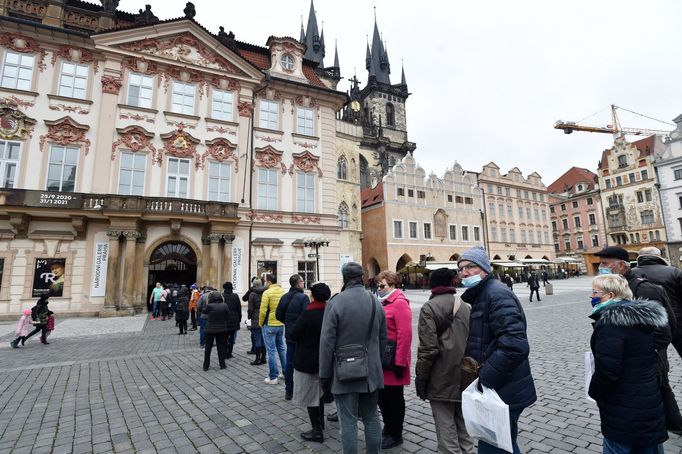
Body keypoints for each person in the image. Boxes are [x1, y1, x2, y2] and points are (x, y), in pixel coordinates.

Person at [457, 246, 536, 454]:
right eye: (461, 268)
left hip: (502, 388)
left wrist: (485, 378)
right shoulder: (483, 293)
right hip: (502, 387)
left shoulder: (496, 295)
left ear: (484, 269)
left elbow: (515, 346)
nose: (464, 272)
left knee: (494, 447)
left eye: (470, 267)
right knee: (502, 444)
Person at [588, 274, 668, 453]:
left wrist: (594, 391)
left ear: (610, 295)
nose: (591, 296)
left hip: (622, 402)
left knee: (618, 445)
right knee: (649, 444)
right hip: (647, 395)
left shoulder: (610, 323)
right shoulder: (640, 316)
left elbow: (608, 371)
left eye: (595, 292)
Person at [319, 262, 387, 454]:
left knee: (347, 421)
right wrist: (375, 363)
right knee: (372, 417)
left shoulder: (336, 302)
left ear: (344, 278)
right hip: (371, 372)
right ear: (362, 277)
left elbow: (326, 343)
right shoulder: (375, 301)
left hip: (344, 371)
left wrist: (324, 374)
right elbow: (383, 338)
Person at [416, 268, 475, 454]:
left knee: (445, 429)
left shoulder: (429, 308)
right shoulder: (465, 305)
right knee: (463, 426)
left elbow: (428, 349)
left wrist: (421, 378)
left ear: (433, 285)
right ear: (452, 283)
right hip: (466, 374)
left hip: (441, 376)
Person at [289, 282, 332, 443]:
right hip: (326, 359)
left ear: (313, 295)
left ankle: (317, 429)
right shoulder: (331, 311)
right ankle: (321, 423)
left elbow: (294, 334)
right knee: (320, 393)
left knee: (310, 395)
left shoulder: (308, 312)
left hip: (308, 360)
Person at [375, 270, 412, 449]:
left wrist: (400, 362)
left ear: (393, 284)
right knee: (382, 398)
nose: (380, 289)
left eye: (383, 286)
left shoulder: (399, 303)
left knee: (395, 399)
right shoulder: (382, 302)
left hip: (394, 361)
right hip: (382, 360)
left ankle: (396, 433)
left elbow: (405, 335)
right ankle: (388, 427)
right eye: (378, 286)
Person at [631, 246, 682, 358]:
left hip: (645, 322)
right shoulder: (674, 271)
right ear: (659, 256)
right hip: (677, 319)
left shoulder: (631, 274)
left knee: (654, 358)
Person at [276, 274, 310, 400]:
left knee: (289, 363)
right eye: (302, 281)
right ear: (297, 283)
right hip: (302, 335)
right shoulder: (303, 297)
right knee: (303, 362)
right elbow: (306, 316)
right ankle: (304, 390)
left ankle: (289, 390)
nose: (303, 283)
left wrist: (288, 322)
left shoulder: (284, 297)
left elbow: (278, 314)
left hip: (290, 333)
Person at [259, 274, 286, 384]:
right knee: (282, 348)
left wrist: (261, 323)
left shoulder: (267, 293)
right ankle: (285, 373)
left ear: (269, 282)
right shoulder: (282, 291)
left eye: (266, 281)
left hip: (269, 324)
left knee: (271, 351)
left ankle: (273, 377)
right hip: (280, 323)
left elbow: (263, 310)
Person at [202, 291, 229, 371]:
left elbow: (203, 311)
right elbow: (227, 316)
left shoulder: (209, 306)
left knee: (208, 348)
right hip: (221, 329)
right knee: (220, 347)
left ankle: (206, 366)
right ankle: (222, 364)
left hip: (210, 329)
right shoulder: (225, 305)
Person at [247, 277, 267, 366]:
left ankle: (258, 359)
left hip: (255, 317)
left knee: (257, 338)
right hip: (264, 316)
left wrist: (249, 316)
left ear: (254, 285)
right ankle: (264, 358)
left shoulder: (252, 294)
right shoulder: (265, 292)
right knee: (263, 338)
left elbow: (250, 308)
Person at [222, 282, 241, 359]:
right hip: (234, 319)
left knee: (224, 337)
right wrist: (239, 318)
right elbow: (239, 308)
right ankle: (229, 352)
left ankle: (224, 352)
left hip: (225, 319)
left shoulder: (222, 296)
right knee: (232, 337)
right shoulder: (235, 296)